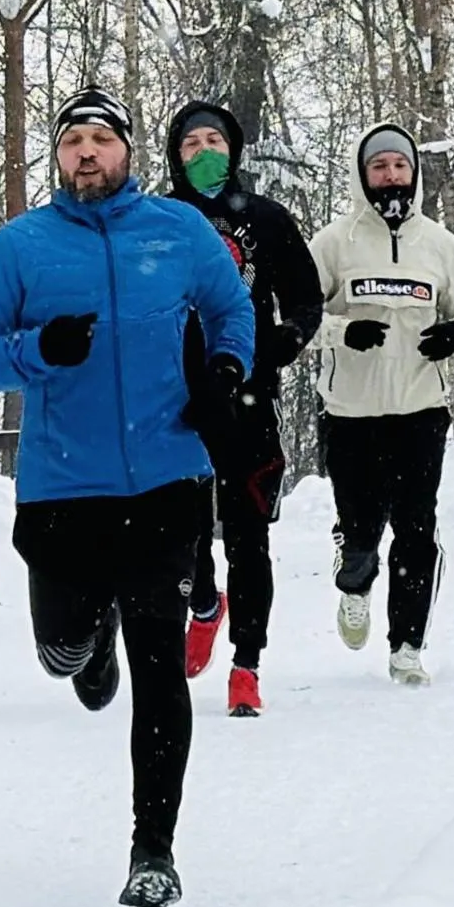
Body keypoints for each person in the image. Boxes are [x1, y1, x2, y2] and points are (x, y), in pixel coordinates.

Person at [0, 85, 255, 907]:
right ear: (59, 157)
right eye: (72, 140)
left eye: (101, 139)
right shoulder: (23, 246)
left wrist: (227, 371)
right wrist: (35, 350)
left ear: (126, 152)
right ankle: (87, 643)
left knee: (163, 666)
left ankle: (153, 845)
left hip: (166, 479)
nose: (87, 152)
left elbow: (233, 310)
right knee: (61, 648)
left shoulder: (178, 230)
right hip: (62, 489)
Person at [306, 121, 454, 687]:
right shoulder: (333, 242)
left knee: (416, 527)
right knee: (362, 531)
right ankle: (354, 581)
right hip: (350, 414)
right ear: (363, 175)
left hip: (420, 410)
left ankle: (407, 645)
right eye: (379, 167)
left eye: (399, 167)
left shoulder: (440, 244)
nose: (390, 176)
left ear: (414, 174)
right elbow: (299, 320)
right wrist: (341, 332)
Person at [163, 101, 323, 717]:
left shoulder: (267, 219)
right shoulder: (160, 219)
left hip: (250, 398)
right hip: (175, 399)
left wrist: (286, 340)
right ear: (175, 156)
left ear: (233, 150)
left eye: (214, 141)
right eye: (190, 143)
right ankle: (204, 602)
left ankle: (246, 665)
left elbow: (306, 299)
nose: (203, 153)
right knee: (184, 530)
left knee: (249, 535)